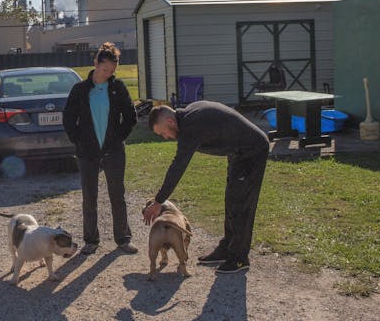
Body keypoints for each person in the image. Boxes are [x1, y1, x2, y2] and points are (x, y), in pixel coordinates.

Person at [142, 102, 269, 274]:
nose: (166, 137)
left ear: (170, 122)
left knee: (241, 205)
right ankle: (227, 249)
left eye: (164, 132)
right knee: (232, 200)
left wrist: (159, 200)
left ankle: (239, 258)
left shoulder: (190, 126)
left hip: (252, 150)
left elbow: (178, 166)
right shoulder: (189, 116)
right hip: (238, 153)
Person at [63, 42, 138, 255]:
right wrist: (78, 141)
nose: (108, 74)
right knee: (89, 196)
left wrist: (118, 138)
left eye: (112, 71)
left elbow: (131, 117)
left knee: (117, 195)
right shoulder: (80, 90)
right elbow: (68, 119)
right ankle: (91, 240)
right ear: (96, 63)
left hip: (113, 150)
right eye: (105, 69)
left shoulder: (118, 88)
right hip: (87, 152)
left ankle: (123, 239)